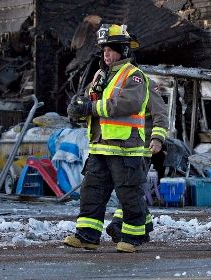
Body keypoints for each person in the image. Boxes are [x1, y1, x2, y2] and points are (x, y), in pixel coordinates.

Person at [64, 23, 151, 253]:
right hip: (100, 147)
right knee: (91, 192)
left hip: (125, 149)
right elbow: (88, 104)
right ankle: (87, 236)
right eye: (104, 50)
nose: (106, 54)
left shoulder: (134, 76)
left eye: (110, 49)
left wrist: (91, 107)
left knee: (129, 194)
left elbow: (125, 104)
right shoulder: (100, 75)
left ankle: (133, 238)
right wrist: (78, 108)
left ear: (122, 51)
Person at [104, 76, 169, 244]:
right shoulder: (114, 83)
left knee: (132, 189)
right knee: (133, 188)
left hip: (141, 147)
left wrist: (157, 139)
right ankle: (145, 226)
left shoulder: (145, 84)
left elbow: (160, 113)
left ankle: (118, 223)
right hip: (121, 148)